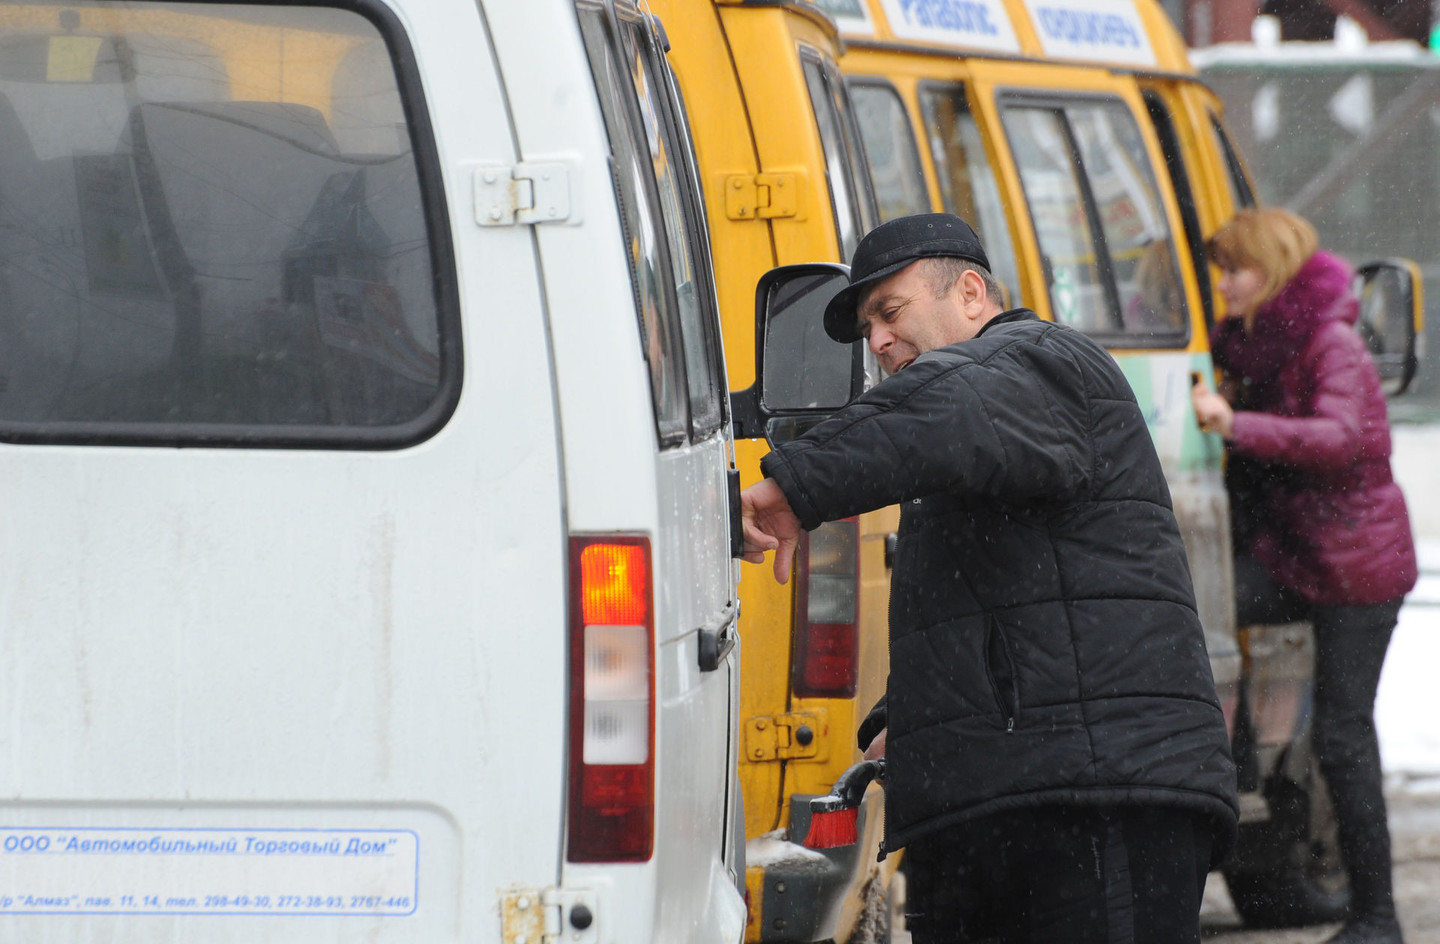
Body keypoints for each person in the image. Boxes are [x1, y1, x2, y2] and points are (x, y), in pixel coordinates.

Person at [742, 213, 1238, 944]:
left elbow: (947, 404)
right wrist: (908, 721)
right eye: (868, 330)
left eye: (889, 312)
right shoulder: (978, 432)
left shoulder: (1041, 363)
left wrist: (795, 484)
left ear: (971, 293)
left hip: (1096, 799)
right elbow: (990, 606)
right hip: (1011, 801)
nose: (876, 344)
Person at [1192, 207, 1417, 944]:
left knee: (1345, 739)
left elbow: (1339, 438)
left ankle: (1376, 915)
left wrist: (1235, 424)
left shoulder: (1332, 340)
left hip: (1357, 568)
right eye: (1219, 269)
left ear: (1274, 271)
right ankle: (1242, 770)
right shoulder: (1255, 344)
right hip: (1298, 557)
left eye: (1235, 270)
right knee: (1198, 618)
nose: (1222, 284)